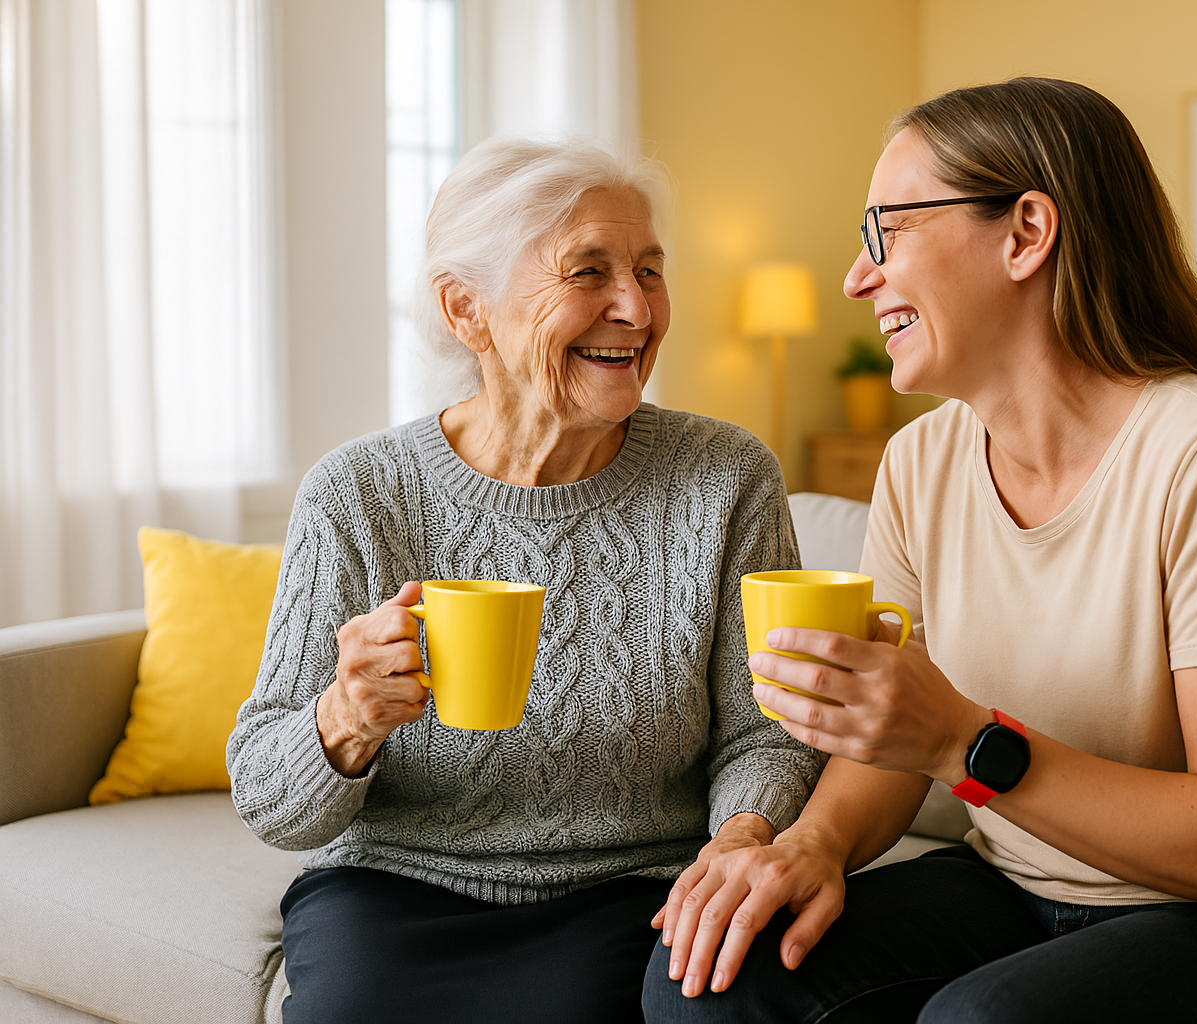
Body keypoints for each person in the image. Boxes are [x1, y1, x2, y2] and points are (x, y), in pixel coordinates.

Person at [642, 77, 1197, 1024]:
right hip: (1021, 885)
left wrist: (963, 742)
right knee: (713, 978)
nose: (857, 275)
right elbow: (893, 739)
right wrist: (814, 846)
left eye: (890, 230)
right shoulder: (922, 461)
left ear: (1027, 233)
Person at [226, 137, 824, 1024]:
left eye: (650, 271)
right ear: (468, 311)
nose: (635, 308)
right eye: (589, 272)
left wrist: (738, 841)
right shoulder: (359, 492)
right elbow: (270, 802)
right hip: (396, 891)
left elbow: (769, 734)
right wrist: (345, 718)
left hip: (637, 890)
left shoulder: (725, 477)